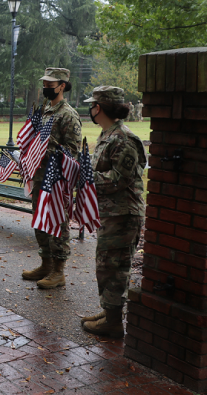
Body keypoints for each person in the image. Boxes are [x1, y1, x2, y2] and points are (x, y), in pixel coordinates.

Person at [81, 86, 146, 338]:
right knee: (106, 265)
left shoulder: (124, 139)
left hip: (123, 215)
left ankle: (114, 321)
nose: (91, 109)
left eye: (93, 105)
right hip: (111, 214)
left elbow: (120, 179)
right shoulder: (108, 135)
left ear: (101, 108)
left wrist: (86, 177)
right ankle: (109, 311)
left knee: (115, 267)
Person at [21, 67, 81, 289]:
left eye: (50, 85)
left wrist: (48, 150)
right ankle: (45, 264)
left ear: (62, 86)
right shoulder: (44, 109)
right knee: (40, 221)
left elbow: (72, 152)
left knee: (57, 223)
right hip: (39, 176)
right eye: (44, 84)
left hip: (57, 179)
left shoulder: (68, 114)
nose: (45, 88)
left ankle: (58, 271)